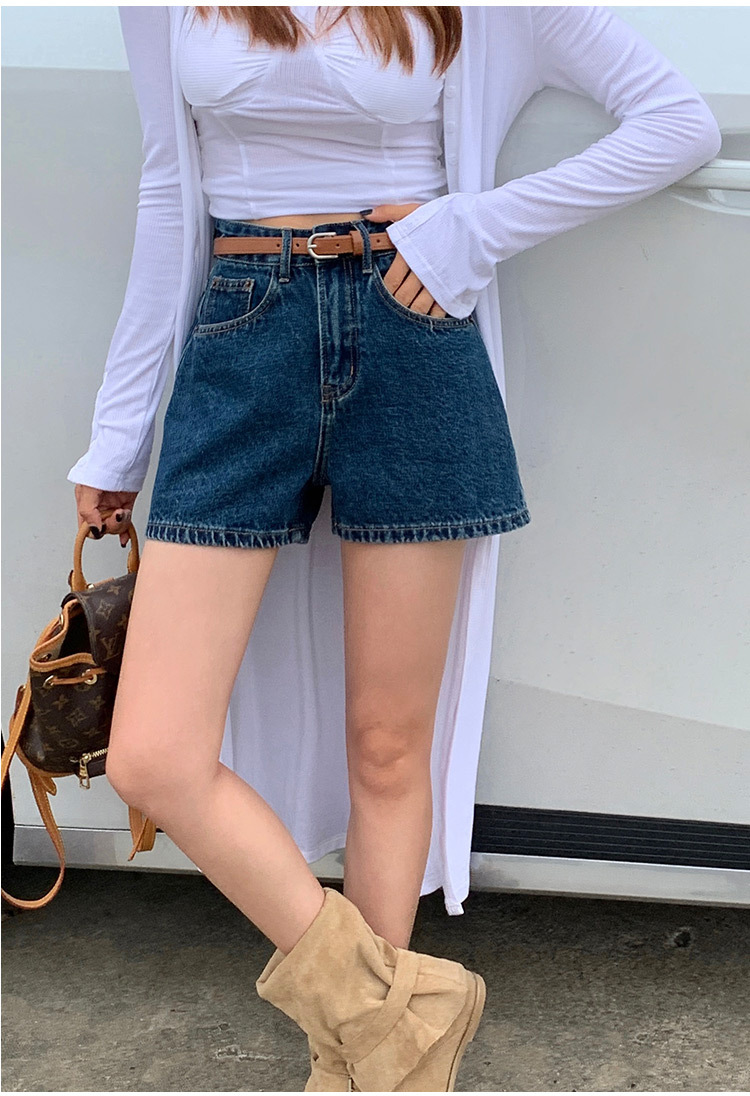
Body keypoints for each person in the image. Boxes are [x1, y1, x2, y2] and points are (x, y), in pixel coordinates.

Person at [66, 6, 721, 1091]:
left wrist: (472, 230)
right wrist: (118, 434)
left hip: (413, 336)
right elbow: (166, 189)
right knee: (155, 756)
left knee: (386, 746)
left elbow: (674, 123)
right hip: (240, 332)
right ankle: (397, 1021)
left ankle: (367, 1065)